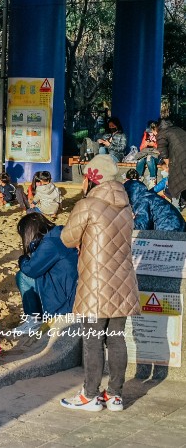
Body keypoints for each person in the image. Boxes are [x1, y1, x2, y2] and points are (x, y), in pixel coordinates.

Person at [59, 154, 140, 412]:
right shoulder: (126, 205)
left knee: (93, 339)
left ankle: (90, 395)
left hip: (96, 282)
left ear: (93, 178)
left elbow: (67, 238)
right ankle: (115, 395)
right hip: (124, 281)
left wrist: (83, 199)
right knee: (116, 339)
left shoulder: (89, 205)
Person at [13, 213, 79, 335]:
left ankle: (34, 319)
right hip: (68, 286)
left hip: (65, 300)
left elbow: (30, 269)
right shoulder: (57, 234)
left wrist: (22, 258)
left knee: (22, 276)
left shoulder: (51, 244)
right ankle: (36, 318)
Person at [153, 117, 186, 208]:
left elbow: (163, 152)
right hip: (182, 158)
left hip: (179, 161)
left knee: (174, 184)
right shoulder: (179, 130)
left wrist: (168, 164)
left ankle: (176, 207)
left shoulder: (162, 133)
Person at [136, 120, 159, 186]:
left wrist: (154, 144)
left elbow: (162, 149)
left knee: (149, 159)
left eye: (152, 130)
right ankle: (138, 178)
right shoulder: (146, 134)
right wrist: (145, 144)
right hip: (147, 153)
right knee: (140, 159)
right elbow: (141, 148)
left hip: (157, 156)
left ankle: (153, 179)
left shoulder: (161, 135)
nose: (151, 133)